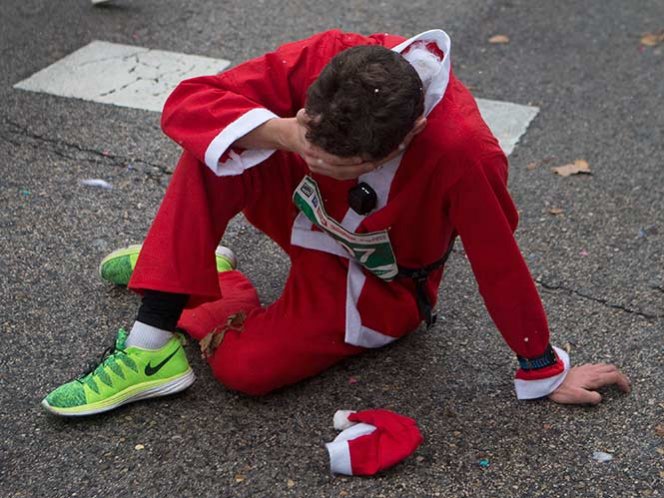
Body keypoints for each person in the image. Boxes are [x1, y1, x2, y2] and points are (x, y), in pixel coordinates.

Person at [41, 29, 630, 416]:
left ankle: (201, 277)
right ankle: (150, 345)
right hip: (297, 209)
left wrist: (542, 368)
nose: (320, 163)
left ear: (411, 136)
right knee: (215, 150)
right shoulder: (337, 57)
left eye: (340, 163)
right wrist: (282, 133)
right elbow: (192, 101)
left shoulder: (463, 152)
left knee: (245, 370)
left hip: (377, 278)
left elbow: (498, 260)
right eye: (313, 143)